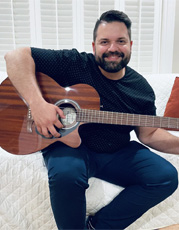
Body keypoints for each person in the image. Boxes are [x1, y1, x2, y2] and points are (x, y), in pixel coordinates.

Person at [4, 10, 179, 230]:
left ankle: (96, 227)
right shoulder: (75, 63)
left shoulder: (140, 89)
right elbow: (15, 56)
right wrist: (37, 105)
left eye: (120, 41)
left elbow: (149, 134)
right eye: (105, 41)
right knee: (66, 175)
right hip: (67, 144)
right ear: (94, 45)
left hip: (116, 151)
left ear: (131, 45)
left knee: (165, 176)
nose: (113, 48)